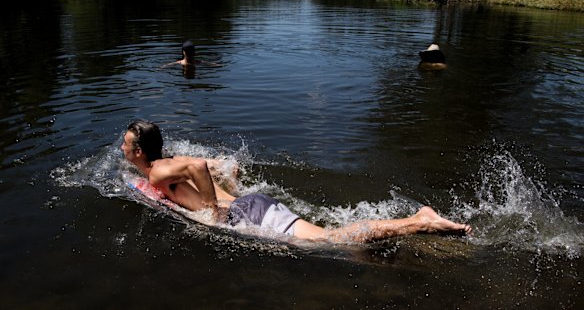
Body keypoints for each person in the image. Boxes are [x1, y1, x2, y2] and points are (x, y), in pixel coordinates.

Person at [121, 120, 472, 243]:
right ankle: (416, 232)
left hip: (247, 216)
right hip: (253, 205)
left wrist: (214, 212)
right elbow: (226, 166)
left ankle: (419, 222)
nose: (121, 148)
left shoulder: (156, 172)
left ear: (138, 151)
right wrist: (234, 193)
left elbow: (200, 166)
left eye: (125, 144)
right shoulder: (170, 159)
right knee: (336, 241)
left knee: (333, 241)